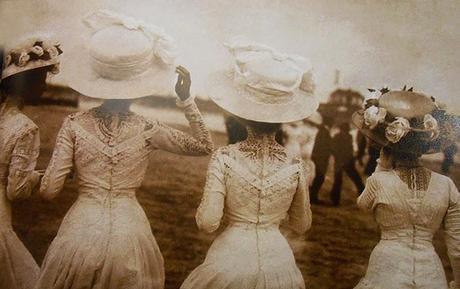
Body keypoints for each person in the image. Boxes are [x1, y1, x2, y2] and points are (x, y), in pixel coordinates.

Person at [35, 10, 213, 289]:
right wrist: (186, 100)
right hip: (128, 230)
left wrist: (65, 174)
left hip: (82, 229)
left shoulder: (74, 124)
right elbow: (204, 145)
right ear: (140, 82)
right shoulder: (148, 128)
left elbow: (48, 191)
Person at [180, 38, 317, 289]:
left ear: (242, 116)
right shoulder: (295, 165)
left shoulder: (226, 157)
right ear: (282, 118)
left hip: (231, 258)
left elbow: (208, 223)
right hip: (278, 259)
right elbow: (301, 225)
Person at [352, 90, 460, 289]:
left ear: (387, 145)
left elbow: (362, 204)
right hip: (430, 272)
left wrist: (382, 166)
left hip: (387, 269)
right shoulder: (446, 185)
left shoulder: (379, 181)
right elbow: (457, 244)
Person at [0, 38, 62, 289]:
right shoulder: (25, 128)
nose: (45, 86)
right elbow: (17, 190)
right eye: (42, 80)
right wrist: (41, 175)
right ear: (28, 85)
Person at [329, 122, 364, 206]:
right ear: (341, 129)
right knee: (338, 181)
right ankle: (335, 200)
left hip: (348, 161)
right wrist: (339, 158)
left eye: (346, 130)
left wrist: (351, 158)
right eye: (344, 130)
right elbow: (333, 149)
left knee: (356, 179)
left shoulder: (349, 136)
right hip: (340, 161)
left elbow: (350, 149)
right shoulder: (337, 137)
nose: (345, 132)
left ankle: (363, 196)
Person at [309, 116, 333, 204]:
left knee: (319, 177)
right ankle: (313, 197)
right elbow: (323, 146)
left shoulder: (323, 130)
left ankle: (313, 196)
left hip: (320, 157)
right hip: (321, 158)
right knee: (320, 177)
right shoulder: (324, 131)